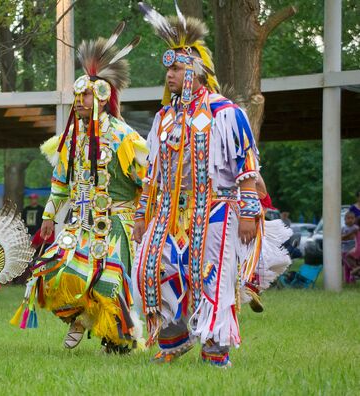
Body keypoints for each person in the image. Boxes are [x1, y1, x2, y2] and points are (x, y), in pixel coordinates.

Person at [133, 2, 290, 367]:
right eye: (168, 69)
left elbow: (246, 166)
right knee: (150, 269)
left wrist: (250, 212)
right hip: (170, 211)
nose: (169, 75)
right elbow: (152, 172)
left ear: (197, 72)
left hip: (217, 209)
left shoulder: (226, 113)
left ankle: (215, 347)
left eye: (176, 68)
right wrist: (143, 213)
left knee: (213, 279)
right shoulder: (164, 118)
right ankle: (174, 336)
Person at [12, 24, 147, 353]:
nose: (80, 100)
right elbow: (60, 181)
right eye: (78, 94)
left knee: (109, 281)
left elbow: (148, 182)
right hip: (81, 221)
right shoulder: (72, 137)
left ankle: (113, 339)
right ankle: (85, 319)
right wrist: (49, 215)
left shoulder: (125, 138)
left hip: (117, 223)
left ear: (103, 96)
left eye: (86, 94)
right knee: (58, 273)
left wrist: (144, 217)